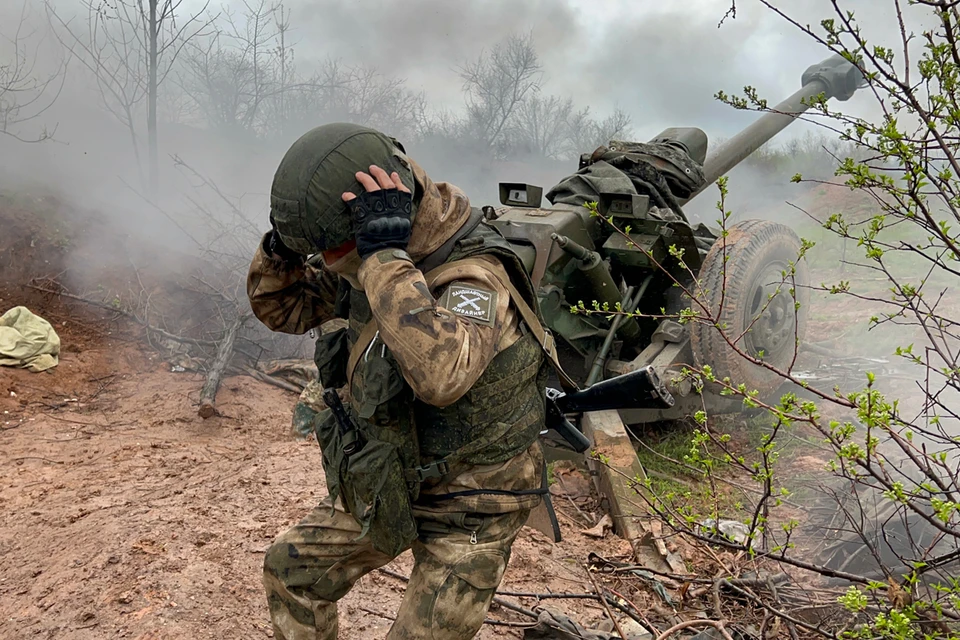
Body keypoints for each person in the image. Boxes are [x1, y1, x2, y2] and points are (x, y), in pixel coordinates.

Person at [246, 122, 562, 640]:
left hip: (472, 498)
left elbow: (443, 375)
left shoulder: (473, 275)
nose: (324, 265)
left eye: (331, 249)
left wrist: (384, 259)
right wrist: (283, 245)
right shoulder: (366, 256)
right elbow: (282, 308)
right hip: (391, 475)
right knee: (290, 573)